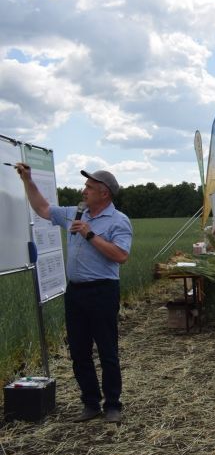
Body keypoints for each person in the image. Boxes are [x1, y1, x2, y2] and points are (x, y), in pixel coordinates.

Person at [16, 163, 132, 423]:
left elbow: (121, 256)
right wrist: (28, 180)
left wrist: (90, 235)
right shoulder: (74, 213)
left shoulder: (119, 221)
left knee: (107, 351)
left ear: (105, 193)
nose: (84, 191)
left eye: (89, 188)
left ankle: (113, 405)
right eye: (85, 187)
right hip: (76, 293)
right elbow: (42, 208)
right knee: (79, 352)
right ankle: (90, 403)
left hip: (102, 291)